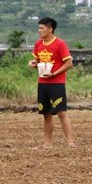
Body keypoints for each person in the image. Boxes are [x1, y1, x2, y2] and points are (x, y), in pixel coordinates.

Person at [28, 17, 75, 148]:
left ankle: (70, 143)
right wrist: (33, 64)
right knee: (46, 114)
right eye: (39, 28)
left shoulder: (60, 44)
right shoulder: (38, 44)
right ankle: (47, 143)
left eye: (41, 28)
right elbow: (37, 62)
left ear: (50, 29)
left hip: (57, 83)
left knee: (61, 112)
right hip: (42, 83)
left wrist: (54, 73)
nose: (39, 31)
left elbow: (69, 63)